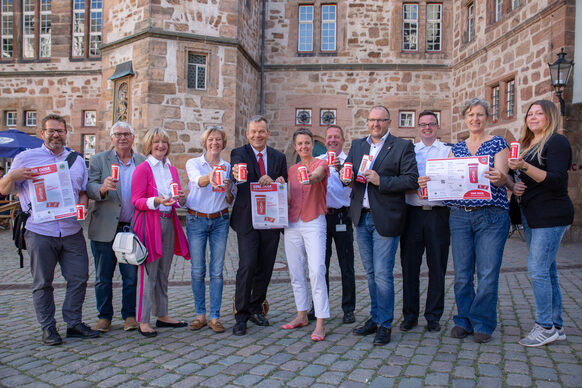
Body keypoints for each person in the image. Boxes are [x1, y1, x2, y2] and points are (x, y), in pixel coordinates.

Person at [0, 114, 100, 345]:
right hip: (39, 230)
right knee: (42, 282)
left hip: (71, 230)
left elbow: (83, 191)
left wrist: (82, 206)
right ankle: (48, 328)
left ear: (66, 133)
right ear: (42, 133)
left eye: (60, 131)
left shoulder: (75, 160)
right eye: (51, 131)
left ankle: (73, 323)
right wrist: (12, 175)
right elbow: (4, 190)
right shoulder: (25, 158)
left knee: (79, 277)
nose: (56, 135)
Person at [425, 98, 509, 344]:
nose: (475, 119)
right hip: (460, 216)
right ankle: (464, 319)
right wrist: (430, 183)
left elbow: (504, 179)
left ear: (487, 118)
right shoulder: (457, 149)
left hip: (492, 215)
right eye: (471, 115)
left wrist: (499, 178)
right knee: (462, 274)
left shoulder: (497, 144)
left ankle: (483, 322)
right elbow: (449, 184)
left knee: (487, 273)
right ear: (465, 118)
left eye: (480, 114)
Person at [342, 106, 418, 345]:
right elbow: (349, 173)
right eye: (372, 120)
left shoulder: (402, 146)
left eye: (380, 120)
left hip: (385, 217)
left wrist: (381, 180)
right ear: (368, 122)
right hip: (361, 217)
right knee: (371, 273)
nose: (376, 124)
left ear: (388, 121)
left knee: (383, 274)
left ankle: (385, 324)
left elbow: (411, 179)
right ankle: (375, 318)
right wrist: (344, 177)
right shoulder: (357, 146)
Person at [507, 100, 574, 347]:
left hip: (551, 214)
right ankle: (556, 326)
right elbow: (531, 179)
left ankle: (544, 326)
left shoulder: (557, 142)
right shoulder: (527, 144)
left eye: (539, 114)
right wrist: (518, 184)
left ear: (550, 117)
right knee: (548, 271)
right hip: (533, 214)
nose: (533, 117)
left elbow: (556, 180)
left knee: (537, 270)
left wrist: (524, 165)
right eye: (530, 114)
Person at [230, 115, 287, 336]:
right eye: (253, 132)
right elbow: (239, 175)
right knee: (247, 264)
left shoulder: (278, 157)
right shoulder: (239, 153)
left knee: (266, 266)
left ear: (268, 133)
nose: (257, 135)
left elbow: (284, 182)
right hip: (247, 219)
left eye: (261, 131)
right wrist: (248, 178)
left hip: (271, 219)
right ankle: (241, 314)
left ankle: (256, 307)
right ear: (247, 134)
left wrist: (279, 181)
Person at [87, 121, 146, 333]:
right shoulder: (99, 160)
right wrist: (102, 188)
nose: (122, 138)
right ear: (111, 138)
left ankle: (129, 315)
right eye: (118, 134)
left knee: (130, 276)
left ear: (133, 138)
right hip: (104, 227)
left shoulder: (141, 161)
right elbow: (89, 185)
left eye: (127, 134)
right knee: (103, 277)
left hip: (131, 229)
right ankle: (104, 317)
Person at [131, 127, 190, 337]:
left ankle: (162, 314)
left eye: (164, 142)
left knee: (164, 271)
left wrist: (181, 199)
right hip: (149, 223)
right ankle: (143, 319)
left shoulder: (171, 169)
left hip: (168, 221)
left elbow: (174, 198)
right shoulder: (143, 168)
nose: (160, 146)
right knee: (148, 273)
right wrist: (156, 200)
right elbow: (136, 201)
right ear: (149, 145)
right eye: (156, 142)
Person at [399, 111, 451, 333]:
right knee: (410, 266)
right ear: (417, 128)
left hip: (438, 214)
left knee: (437, 267)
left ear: (437, 126)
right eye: (423, 124)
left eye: (431, 124)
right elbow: (402, 179)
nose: (427, 128)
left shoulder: (448, 151)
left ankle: (433, 315)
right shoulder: (409, 151)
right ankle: (410, 315)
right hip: (412, 213)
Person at [281, 128, 330, 341]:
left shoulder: (321, 164)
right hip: (292, 222)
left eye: (307, 143)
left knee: (317, 269)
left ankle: (320, 322)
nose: (304, 147)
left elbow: (318, 176)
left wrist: (311, 179)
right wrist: (278, 188)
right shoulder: (292, 170)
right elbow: (289, 198)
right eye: (300, 143)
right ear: (295, 147)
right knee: (295, 270)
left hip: (314, 220)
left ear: (312, 144)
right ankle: (301, 314)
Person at [185, 126, 234, 334]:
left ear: (223, 143)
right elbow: (198, 182)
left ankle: (214, 316)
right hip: (196, 219)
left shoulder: (228, 166)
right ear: (205, 142)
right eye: (211, 139)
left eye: (219, 140)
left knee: (217, 271)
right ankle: (200, 315)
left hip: (220, 220)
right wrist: (212, 175)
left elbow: (230, 199)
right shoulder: (194, 163)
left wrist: (230, 189)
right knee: (197, 270)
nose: (215, 143)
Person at [307, 125, 356, 324]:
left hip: (343, 216)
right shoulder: (317, 162)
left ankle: (348, 309)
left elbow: (354, 185)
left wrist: (340, 169)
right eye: (329, 137)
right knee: (320, 265)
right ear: (325, 141)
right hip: (321, 217)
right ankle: (319, 308)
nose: (332, 140)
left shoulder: (349, 162)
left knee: (346, 265)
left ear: (343, 141)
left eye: (337, 137)